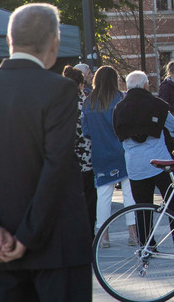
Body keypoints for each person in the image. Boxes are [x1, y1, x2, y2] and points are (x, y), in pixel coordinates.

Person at [0, 3, 92, 301]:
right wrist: (27, 236)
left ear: (10, 40)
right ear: (54, 42)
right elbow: (56, 164)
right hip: (56, 247)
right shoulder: (59, 89)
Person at [113, 71, 174, 254]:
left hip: (135, 165)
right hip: (160, 162)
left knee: (142, 206)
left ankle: (147, 245)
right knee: (173, 204)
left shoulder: (119, 108)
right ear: (146, 85)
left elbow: (117, 134)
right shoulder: (158, 105)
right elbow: (172, 126)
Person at [83, 66, 136, 246]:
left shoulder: (88, 102)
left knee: (103, 196)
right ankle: (132, 234)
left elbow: (86, 131)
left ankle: (103, 236)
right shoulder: (121, 98)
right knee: (129, 194)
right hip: (122, 151)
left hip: (100, 153)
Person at [64, 65, 97, 238]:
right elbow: (86, 129)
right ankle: (88, 234)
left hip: (66, 159)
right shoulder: (81, 102)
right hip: (85, 157)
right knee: (89, 199)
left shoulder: (58, 102)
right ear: (79, 84)